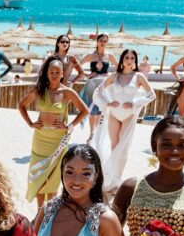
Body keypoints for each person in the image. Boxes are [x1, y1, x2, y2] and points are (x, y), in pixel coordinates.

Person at [19, 56, 87, 208]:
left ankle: (50, 212)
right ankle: (39, 211)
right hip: (40, 139)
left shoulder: (67, 92)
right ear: (47, 73)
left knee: (53, 177)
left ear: (62, 73)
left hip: (57, 140)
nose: (54, 74)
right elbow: (21, 105)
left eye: (57, 72)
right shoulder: (40, 89)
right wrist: (30, 123)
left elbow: (84, 111)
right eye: (51, 72)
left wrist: (69, 126)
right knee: (39, 176)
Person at [91, 49, 156, 197]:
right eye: (127, 57)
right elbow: (99, 90)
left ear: (135, 61)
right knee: (114, 146)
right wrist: (107, 102)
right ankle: (111, 179)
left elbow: (151, 95)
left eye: (132, 58)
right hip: (114, 115)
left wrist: (135, 103)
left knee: (124, 148)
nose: (129, 60)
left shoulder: (138, 76)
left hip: (129, 116)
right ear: (122, 59)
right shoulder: (115, 76)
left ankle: (117, 180)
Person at [79, 33, 116, 133]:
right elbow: (78, 66)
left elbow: (120, 69)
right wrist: (87, 75)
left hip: (103, 85)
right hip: (92, 84)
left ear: (107, 42)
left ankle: (97, 132)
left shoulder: (110, 55)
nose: (103, 42)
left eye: (105, 41)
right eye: (101, 40)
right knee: (91, 108)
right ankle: (92, 132)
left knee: (100, 108)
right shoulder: (91, 55)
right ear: (97, 41)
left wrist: (110, 75)